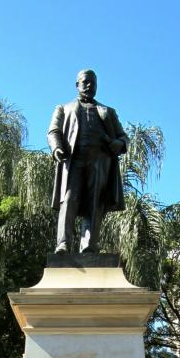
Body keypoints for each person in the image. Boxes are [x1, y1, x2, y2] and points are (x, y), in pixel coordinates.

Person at [47, 69, 129, 254]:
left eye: (93, 82)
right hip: (73, 161)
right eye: (85, 82)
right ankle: (63, 244)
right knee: (68, 201)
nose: (90, 85)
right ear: (77, 84)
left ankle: (89, 246)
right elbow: (53, 132)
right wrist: (57, 148)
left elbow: (123, 137)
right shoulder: (63, 108)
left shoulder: (107, 111)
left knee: (94, 203)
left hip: (100, 163)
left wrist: (119, 144)